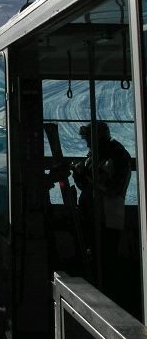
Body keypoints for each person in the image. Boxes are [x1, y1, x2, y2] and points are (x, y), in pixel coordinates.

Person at [71, 121, 132, 299]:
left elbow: (111, 187)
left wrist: (86, 174)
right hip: (94, 215)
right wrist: (80, 175)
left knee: (105, 261)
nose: (87, 145)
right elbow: (88, 186)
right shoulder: (98, 154)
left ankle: (107, 297)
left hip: (107, 217)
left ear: (98, 137)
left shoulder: (116, 155)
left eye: (89, 140)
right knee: (94, 258)